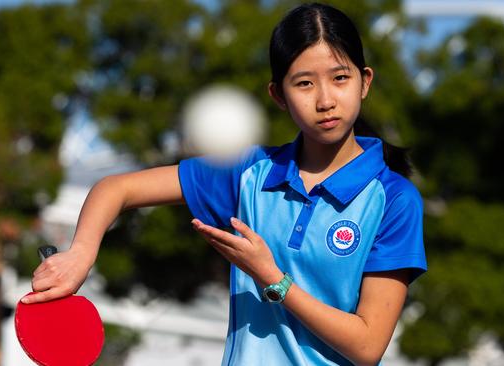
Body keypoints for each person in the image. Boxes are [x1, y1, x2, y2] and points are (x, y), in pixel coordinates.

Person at [22, 3, 427, 365]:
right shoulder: (248, 172)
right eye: (304, 83)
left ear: (365, 81)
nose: (325, 99)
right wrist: (81, 253)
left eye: (340, 78)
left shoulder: (394, 199)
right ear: (278, 95)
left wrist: (273, 278)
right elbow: (117, 189)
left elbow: (368, 345)